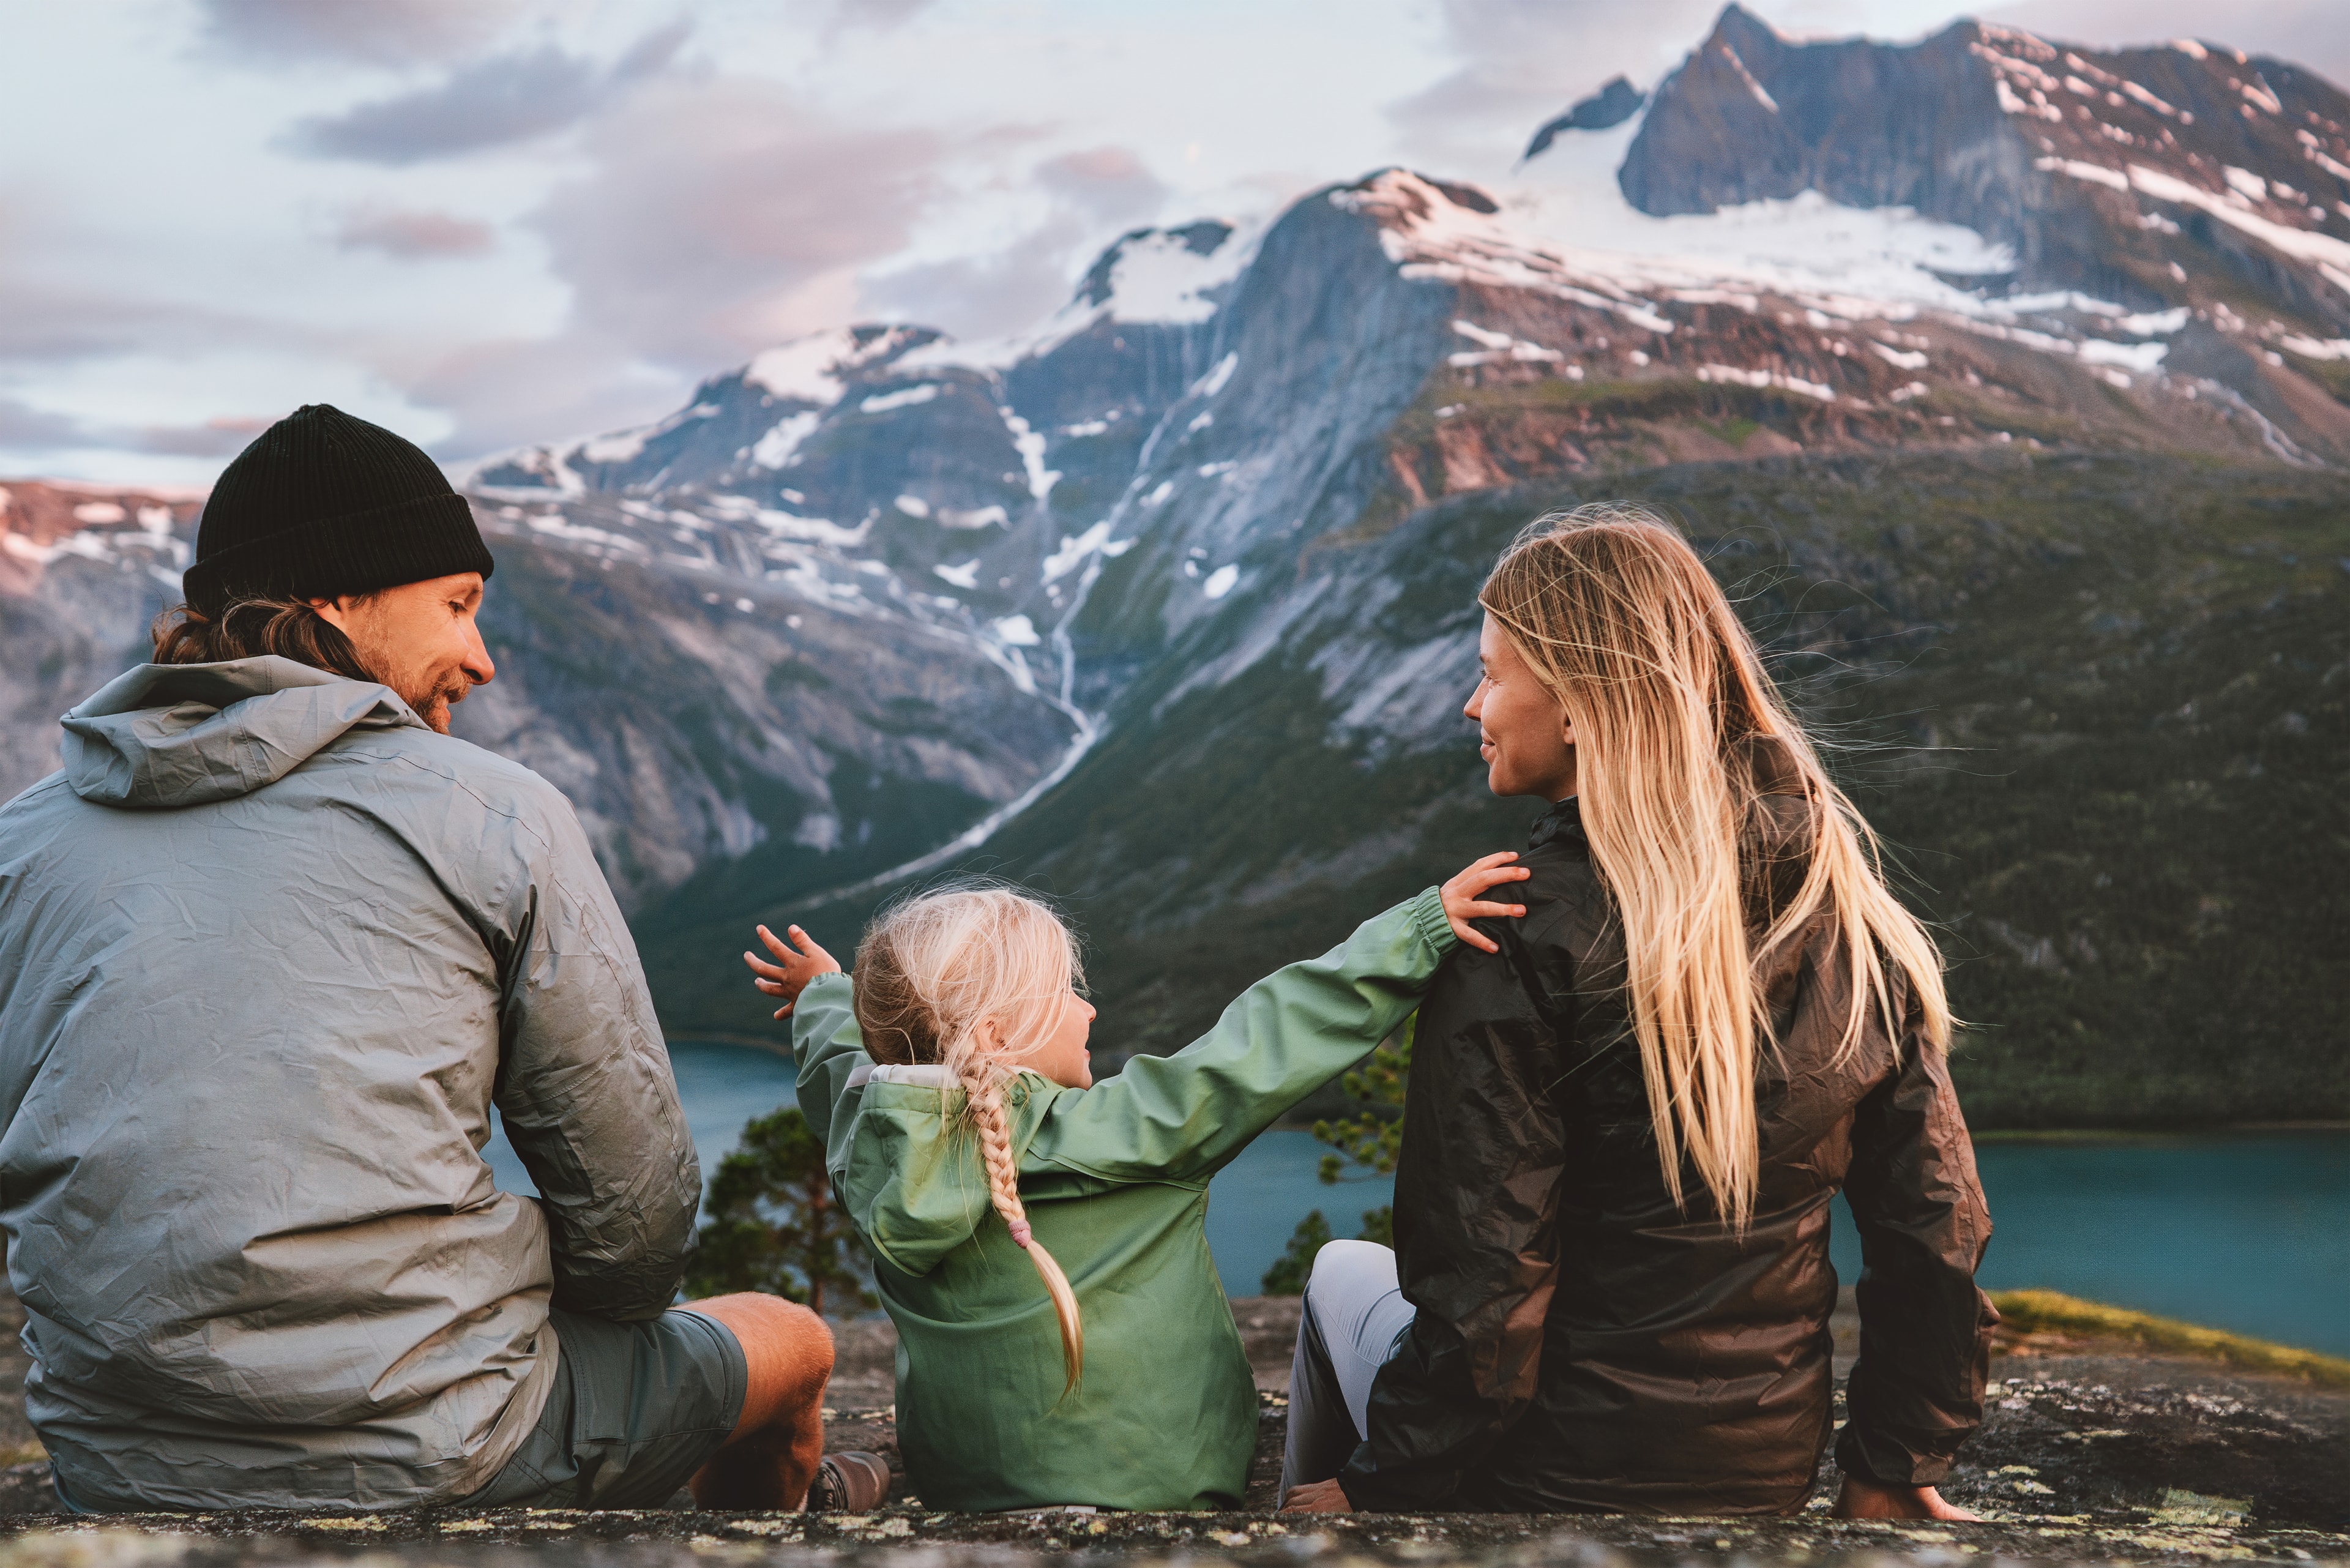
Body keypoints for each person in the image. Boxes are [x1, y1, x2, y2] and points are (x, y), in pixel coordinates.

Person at [0, 404, 880, 1514]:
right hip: (438, 1447)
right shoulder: (496, 816)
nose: (483, 656)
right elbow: (639, 1231)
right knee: (791, 1340)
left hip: (115, 1462)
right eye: (457, 605)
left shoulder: (21, 841)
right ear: (335, 596)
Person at [1279, 503, 1996, 1518]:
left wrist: (1378, 1488)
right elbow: (1935, 1225)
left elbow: (1486, 1284)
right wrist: (1891, 1463)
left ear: (1578, 703)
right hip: (1763, 1474)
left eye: (1491, 673)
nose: (1468, 705)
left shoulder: (1516, 925)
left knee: (1340, 1275)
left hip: (1539, 1473)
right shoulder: (1837, 904)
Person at [739, 854, 1531, 1512]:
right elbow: (1273, 1034)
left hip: (966, 1488)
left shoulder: (870, 1139)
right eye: (1064, 992)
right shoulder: (1124, 1130)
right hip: (1168, 1485)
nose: (1085, 1009)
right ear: (1000, 1034)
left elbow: (848, 1066)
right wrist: (1418, 930)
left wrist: (826, 993)